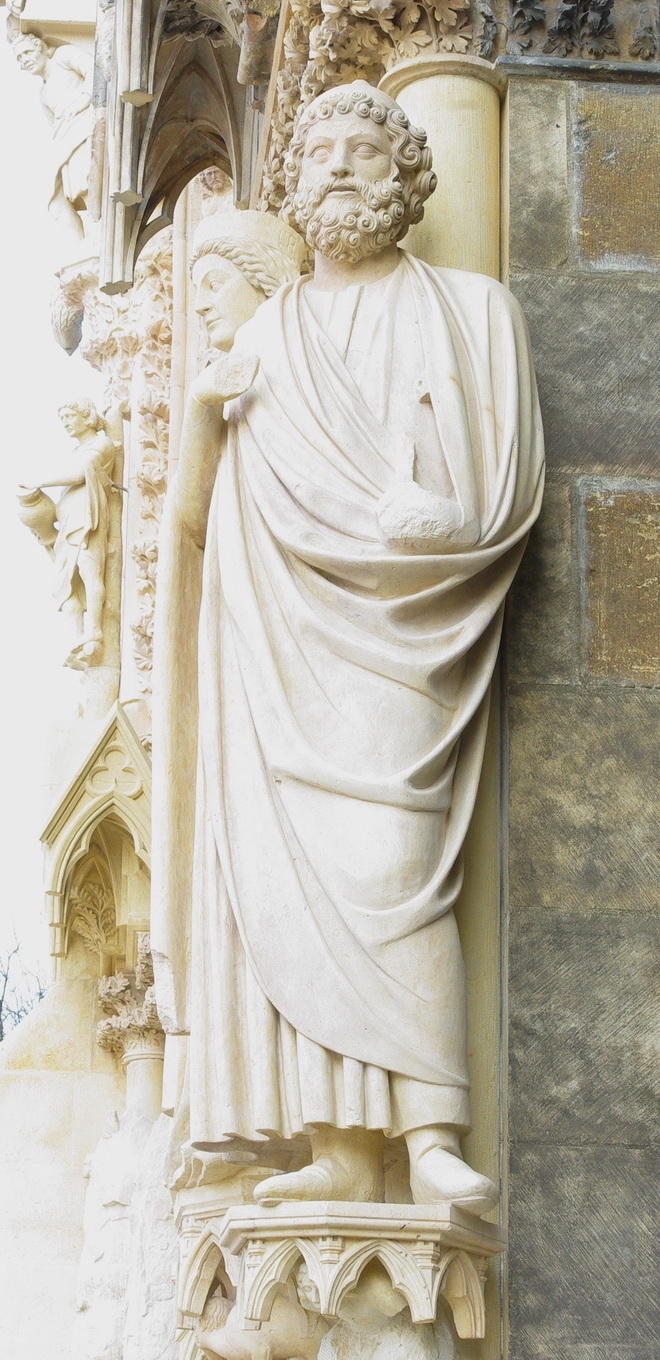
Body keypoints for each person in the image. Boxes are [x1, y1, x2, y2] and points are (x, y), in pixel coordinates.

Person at [151, 84, 544, 1216]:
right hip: (280, 646)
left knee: (391, 867)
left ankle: (431, 1133)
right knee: (291, 883)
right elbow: (197, 520)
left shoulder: (473, 311)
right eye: (318, 149)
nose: (336, 166)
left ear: (407, 177)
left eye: (364, 149)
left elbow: (509, 483)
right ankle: (342, 1148)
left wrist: (450, 523)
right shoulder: (261, 337)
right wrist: (200, 416)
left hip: (410, 631)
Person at [18, 400, 116, 668]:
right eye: (62, 418)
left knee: (89, 570)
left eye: (70, 416)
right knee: (67, 583)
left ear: (87, 416)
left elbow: (77, 475)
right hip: (69, 518)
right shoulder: (77, 450)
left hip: (88, 517)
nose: (66, 422)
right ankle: (76, 641)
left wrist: (40, 481)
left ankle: (94, 631)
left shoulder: (101, 444)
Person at [12, 32, 93, 238]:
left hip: (84, 126)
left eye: (28, 52)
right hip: (66, 137)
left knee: (86, 180)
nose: (24, 60)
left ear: (41, 48)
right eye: (19, 57)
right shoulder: (43, 94)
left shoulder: (63, 55)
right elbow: (53, 126)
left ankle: (98, 228)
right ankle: (78, 240)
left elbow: (94, 68)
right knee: (56, 196)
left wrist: (84, 99)